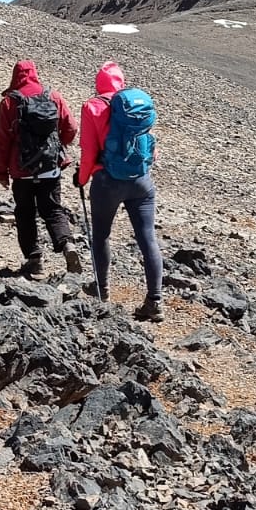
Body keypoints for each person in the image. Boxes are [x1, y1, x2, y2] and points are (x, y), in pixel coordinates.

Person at [75, 61, 163, 320]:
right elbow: (152, 149)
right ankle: (155, 300)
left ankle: (101, 291)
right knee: (147, 238)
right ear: (121, 83)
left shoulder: (93, 107)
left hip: (107, 181)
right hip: (141, 181)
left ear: (98, 83)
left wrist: (81, 179)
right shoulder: (137, 104)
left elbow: (89, 151)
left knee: (101, 235)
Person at [0, 59, 81, 276]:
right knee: (53, 209)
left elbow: (3, 141)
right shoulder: (53, 96)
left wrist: (1, 171)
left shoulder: (9, 102)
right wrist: (59, 145)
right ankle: (67, 245)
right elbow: (71, 128)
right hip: (50, 168)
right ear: (35, 74)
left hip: (21, 170)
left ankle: (34, 260)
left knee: (25, 213)